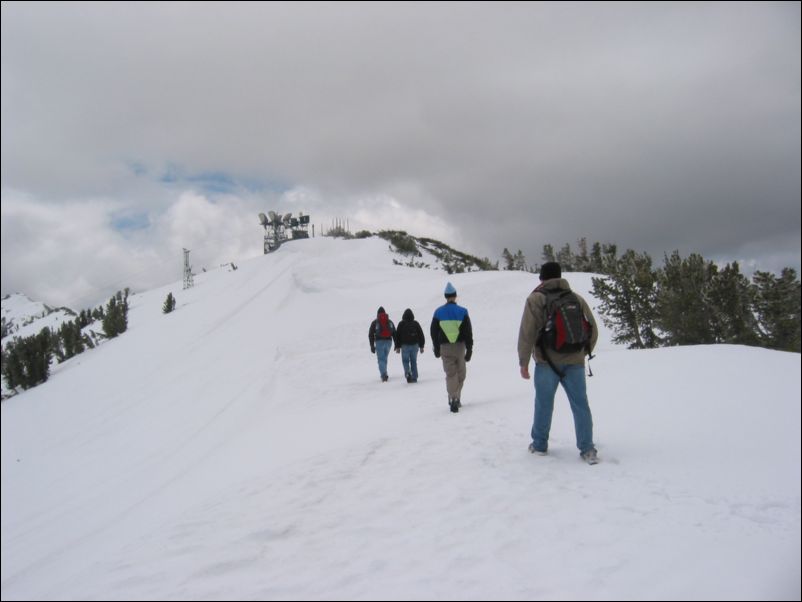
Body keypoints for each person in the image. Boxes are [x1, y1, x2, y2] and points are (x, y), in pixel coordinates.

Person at [517, 261, 600, 464]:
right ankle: (587, 449)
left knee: (544, 403)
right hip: (575, 361)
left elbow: (527, 333)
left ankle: (539, 445)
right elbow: (593, 329)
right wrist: (582, 352)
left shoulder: (536, 298)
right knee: (580, 404)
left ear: (542, 278)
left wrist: (523, 362)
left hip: (546, 362)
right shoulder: (576, 298)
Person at [431, 282, 473, 413]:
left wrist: (436, 348)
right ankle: (456, 397)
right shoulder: (463, 311)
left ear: (445, 296)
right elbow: (468, 332)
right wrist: (470, 349)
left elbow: (433, 332)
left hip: (445, 348)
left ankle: (453, 397)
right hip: (460, 347)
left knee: (450, 374)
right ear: (455, 296)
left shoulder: (438, 312)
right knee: (461, 374)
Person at [395, 308, 425, 383]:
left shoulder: (401, 324)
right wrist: (422, 346)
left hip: (405, 345)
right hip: (415, 345)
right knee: (413, 361)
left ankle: (408, 373)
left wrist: (397, 346)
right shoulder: (415, 323)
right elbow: (421, 335)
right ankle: (414, 377)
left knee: (405, 361)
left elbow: (397, 335)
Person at [369, 306, 397, 382]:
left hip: (379, 342)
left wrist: (372, 345)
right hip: (388, 342)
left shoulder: (375, 322)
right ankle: (384, 372)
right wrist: (396, 344)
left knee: (381, 359)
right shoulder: (390, 321)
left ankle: (383, 375)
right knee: (384, 358)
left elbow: (371, 334)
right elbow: (394, 333)